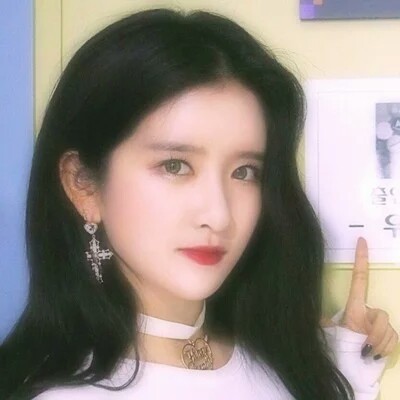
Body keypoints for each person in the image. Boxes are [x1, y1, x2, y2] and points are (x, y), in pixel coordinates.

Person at [0, 8, 398, 400]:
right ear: (83, 185)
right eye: (175, 166)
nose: (219, 215)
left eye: (244, 171)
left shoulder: (281, 361)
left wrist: (342, 369)